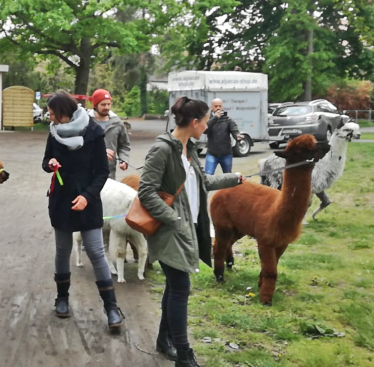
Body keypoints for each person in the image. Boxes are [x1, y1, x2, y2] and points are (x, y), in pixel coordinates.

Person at [138, 96, 244, 366]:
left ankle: (165, 341)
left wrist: (233, 178)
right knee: (181, 288)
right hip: (171, 228)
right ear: (195, 122)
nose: (207, 127)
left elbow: (202, 180)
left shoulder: (189, 148)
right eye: (206, 122)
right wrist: (173, 219)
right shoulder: (162, 150)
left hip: (189, 227)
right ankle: (184, 354)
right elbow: (146, 192)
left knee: (174, 287)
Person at [42, 91, 124, 331]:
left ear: (64, 112)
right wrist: (50, 164)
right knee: (62, 250)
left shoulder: (94, 133)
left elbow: (102, 172)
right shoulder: (54, 132)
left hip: (88, 200)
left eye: (52, 112)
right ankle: (62, 299)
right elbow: (46, 160)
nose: (50, 117)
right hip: (61, 200)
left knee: (96, 252)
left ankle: (111, 308)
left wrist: (87, 197)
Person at [87, 89, 130, 180]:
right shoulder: (86, 122)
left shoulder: (117, 123)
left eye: (108, 104)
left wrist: (124, 160)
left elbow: (124, 145)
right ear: (95, 105)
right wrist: (99, 152)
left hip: (109, 173)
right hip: (88, 172)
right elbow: (79, 146)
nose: (106, 107)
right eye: (103, 104)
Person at [204, 98, 242, 175]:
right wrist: (215, 118)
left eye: (220, 106)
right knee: (208, 175)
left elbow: (234, 130)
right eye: (216, 106)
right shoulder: (208, 119)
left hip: (226, 154)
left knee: (227, 176)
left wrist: (237, 136)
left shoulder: (228, 120)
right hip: (212, 153)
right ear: (211, 107)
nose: (218, 108)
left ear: (222, 107)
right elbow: (205, 130)